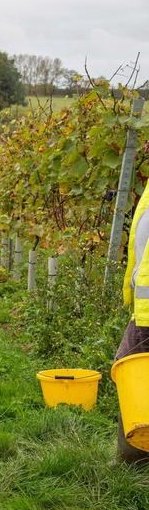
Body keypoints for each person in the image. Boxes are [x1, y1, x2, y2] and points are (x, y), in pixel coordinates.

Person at [115, 184, 149, 466]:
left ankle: (133, 459)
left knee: (127, 367)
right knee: (127, 369)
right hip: (144, 307)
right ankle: (134, 458)